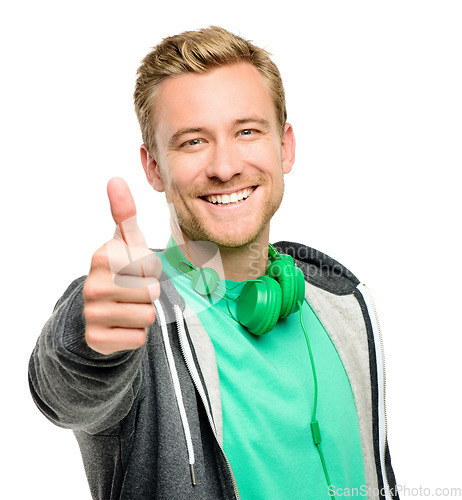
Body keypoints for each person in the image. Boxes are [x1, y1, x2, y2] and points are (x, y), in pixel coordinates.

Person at [29, 26, 399, 499]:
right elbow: (65, 392)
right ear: (154, 167)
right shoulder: (136, 312)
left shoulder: (339, 302)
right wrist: (90, 337)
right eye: (193, 142)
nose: (225, 167)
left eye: (246, 132)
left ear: (284, 146)